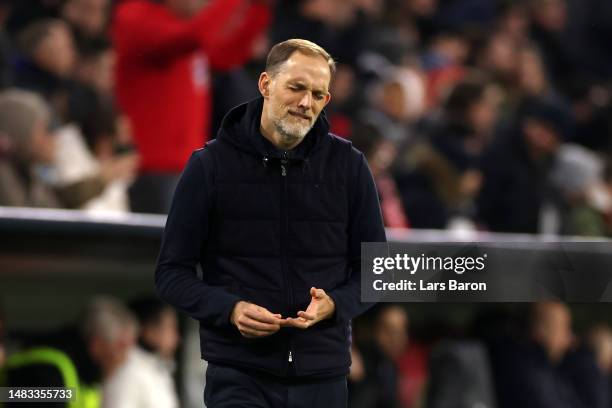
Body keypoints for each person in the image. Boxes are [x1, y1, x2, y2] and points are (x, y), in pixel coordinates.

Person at [155, 38, 386, 407]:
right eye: (296, 88)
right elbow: (170, 273)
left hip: (322, 376)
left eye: (318, 94)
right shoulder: (209, 166)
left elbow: (377, 271)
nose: (306, 103)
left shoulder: (350, 166)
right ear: (265, 84)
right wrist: (229, 309)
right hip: (239, 374)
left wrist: (335, 305)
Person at [112, 0, 272, 213]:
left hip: (190, 169)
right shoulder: (135, 16)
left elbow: (228, 55)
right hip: (154, 170)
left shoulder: (187, 32)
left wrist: (259, 8)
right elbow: (194, 35)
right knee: (165, 244)